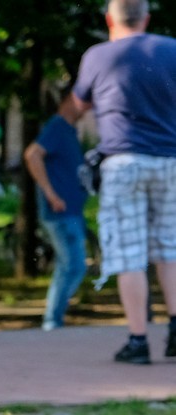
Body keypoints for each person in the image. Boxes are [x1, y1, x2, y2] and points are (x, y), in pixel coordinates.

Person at [71, 0, 176, 364]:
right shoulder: (172, 49)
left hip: (123, 161)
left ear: (109, 20)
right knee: (171, 247)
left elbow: (79, 105)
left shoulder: (98, 56)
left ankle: (138, 340)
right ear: (146, 18)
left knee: (129, 252)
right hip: (171, 160)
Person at [23, 93, 90, 332]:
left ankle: (54, 319)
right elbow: (32, 154)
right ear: (70, 100)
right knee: (73, 265)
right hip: (61, 213)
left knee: (69, 266)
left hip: (72, 211)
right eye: (85, 100)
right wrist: (51, 194)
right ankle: (53, 320)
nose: (89, 106)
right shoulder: (58, 127)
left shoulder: (69, 131)